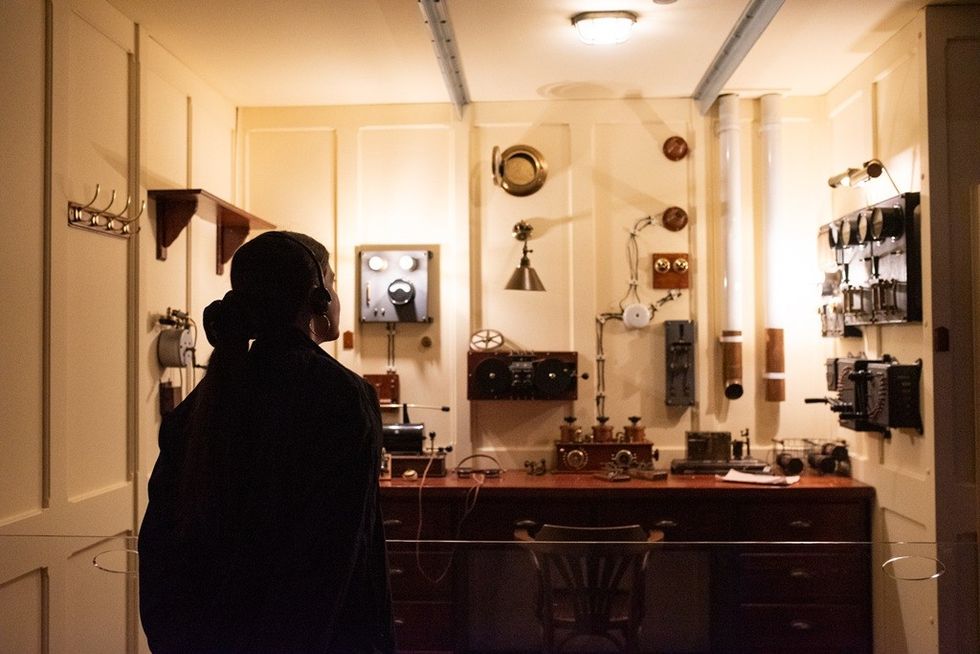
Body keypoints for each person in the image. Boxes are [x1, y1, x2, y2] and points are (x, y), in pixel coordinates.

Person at [138, 231, 395, 653]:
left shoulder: (204, 401)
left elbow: (162, 545)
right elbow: (338, 558)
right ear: (317, 297)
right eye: (332, 281)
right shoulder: (343, 397)